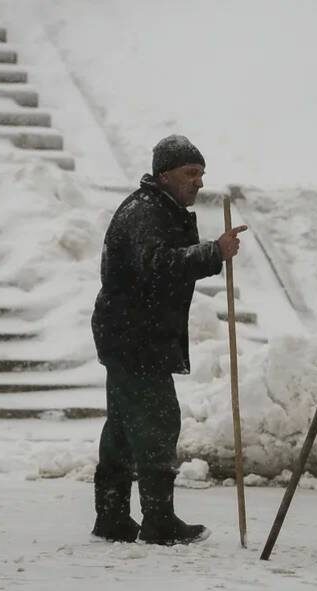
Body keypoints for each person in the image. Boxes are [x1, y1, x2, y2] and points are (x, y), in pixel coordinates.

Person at [90, 134, 247, 545]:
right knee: (158, 422)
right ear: (164, 175)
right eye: (190, 173)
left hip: (130, 334)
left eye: (202, 173)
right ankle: (158, 522)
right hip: (134, 337)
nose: (199, 181)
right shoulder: (147, 212)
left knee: (123, 427)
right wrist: (213, 252)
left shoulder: (159, 208)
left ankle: (112, 517)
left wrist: (211, 253)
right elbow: (156, 264)